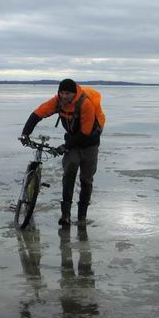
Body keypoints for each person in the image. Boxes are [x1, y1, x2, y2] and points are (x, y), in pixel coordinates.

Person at [20, 79, 105, 227]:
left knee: (86, 180)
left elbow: (85, 133)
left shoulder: (85, 104)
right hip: (72, 142)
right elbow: (38, 114)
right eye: (62, 93)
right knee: (69, 173)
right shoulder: (57, 101)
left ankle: (82, 216)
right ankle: (65, 215)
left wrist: (64, 146)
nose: (64, 96)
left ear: (74, 93)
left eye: (68, 93)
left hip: (89, 143)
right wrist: (25, 133)